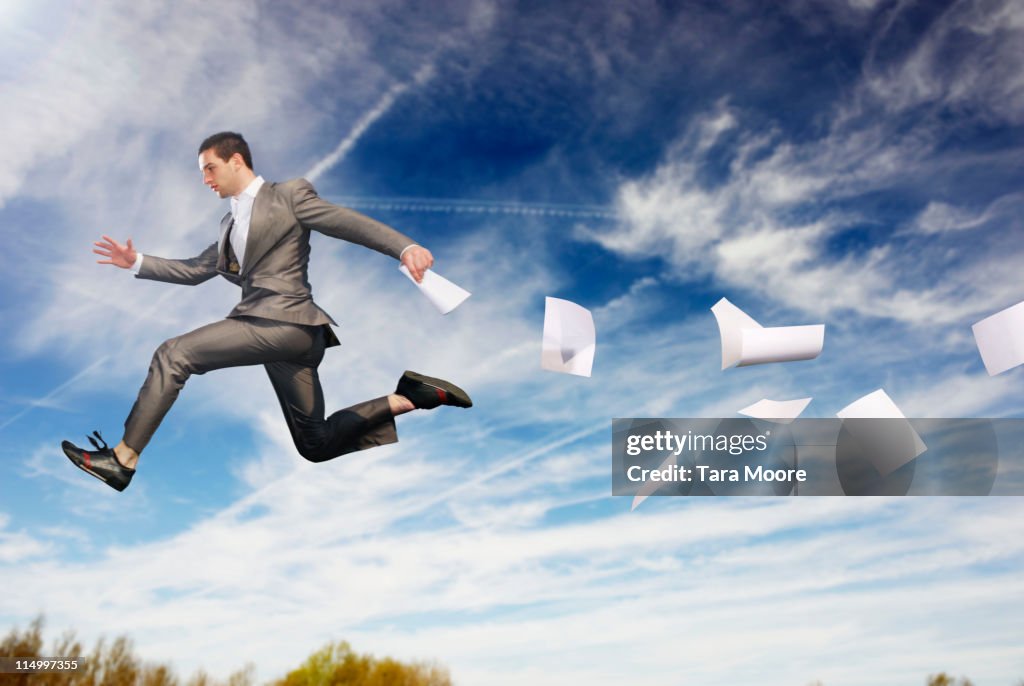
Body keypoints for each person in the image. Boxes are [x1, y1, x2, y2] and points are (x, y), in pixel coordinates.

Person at [62, 131, 471, 492]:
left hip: (283, 322)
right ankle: (408, 397)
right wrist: (135, 261)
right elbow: (193, 270)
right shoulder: (228, 224)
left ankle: (122, 458)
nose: (205, 179)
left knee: (174, 354)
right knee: (315, 444)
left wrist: (404, 247)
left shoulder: (288, 195)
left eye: (210, 168)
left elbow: (345, 222)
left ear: (236, 161)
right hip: (289, 343)